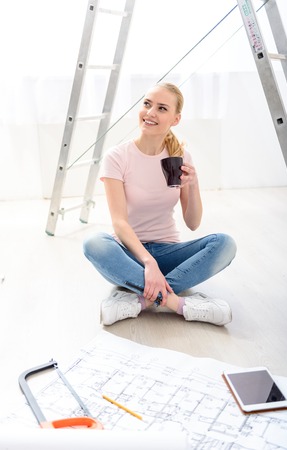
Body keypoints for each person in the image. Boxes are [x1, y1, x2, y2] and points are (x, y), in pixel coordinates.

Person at [83, 82, 236, 326]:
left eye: (162, 108)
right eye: (147, 104)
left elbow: (193, 223)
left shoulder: (179, 157)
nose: (150, 112)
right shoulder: (117, 156)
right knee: (94, 244)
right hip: (129, 255)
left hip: (168, 252)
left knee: (225, 244)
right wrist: (148, 262)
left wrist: (193, 184)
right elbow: (119, 223)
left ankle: (140, 300)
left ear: (175, 119)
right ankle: (178, 304)